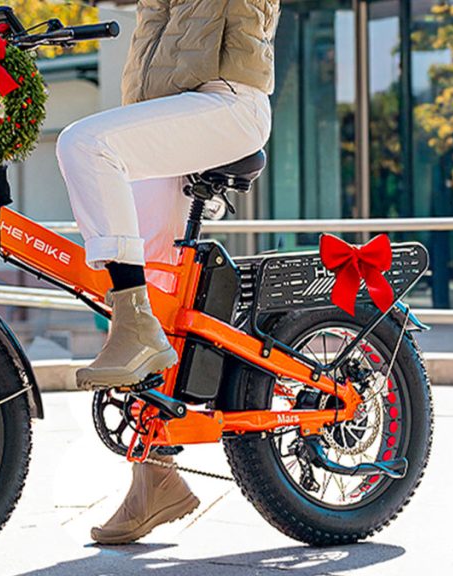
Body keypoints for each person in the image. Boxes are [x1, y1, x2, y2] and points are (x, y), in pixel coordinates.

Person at [55, 1, 279, 544]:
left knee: (83, 144)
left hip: (227, 103)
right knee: (149, 284)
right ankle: (155, 477)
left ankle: (132, 329)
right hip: (171, 112)